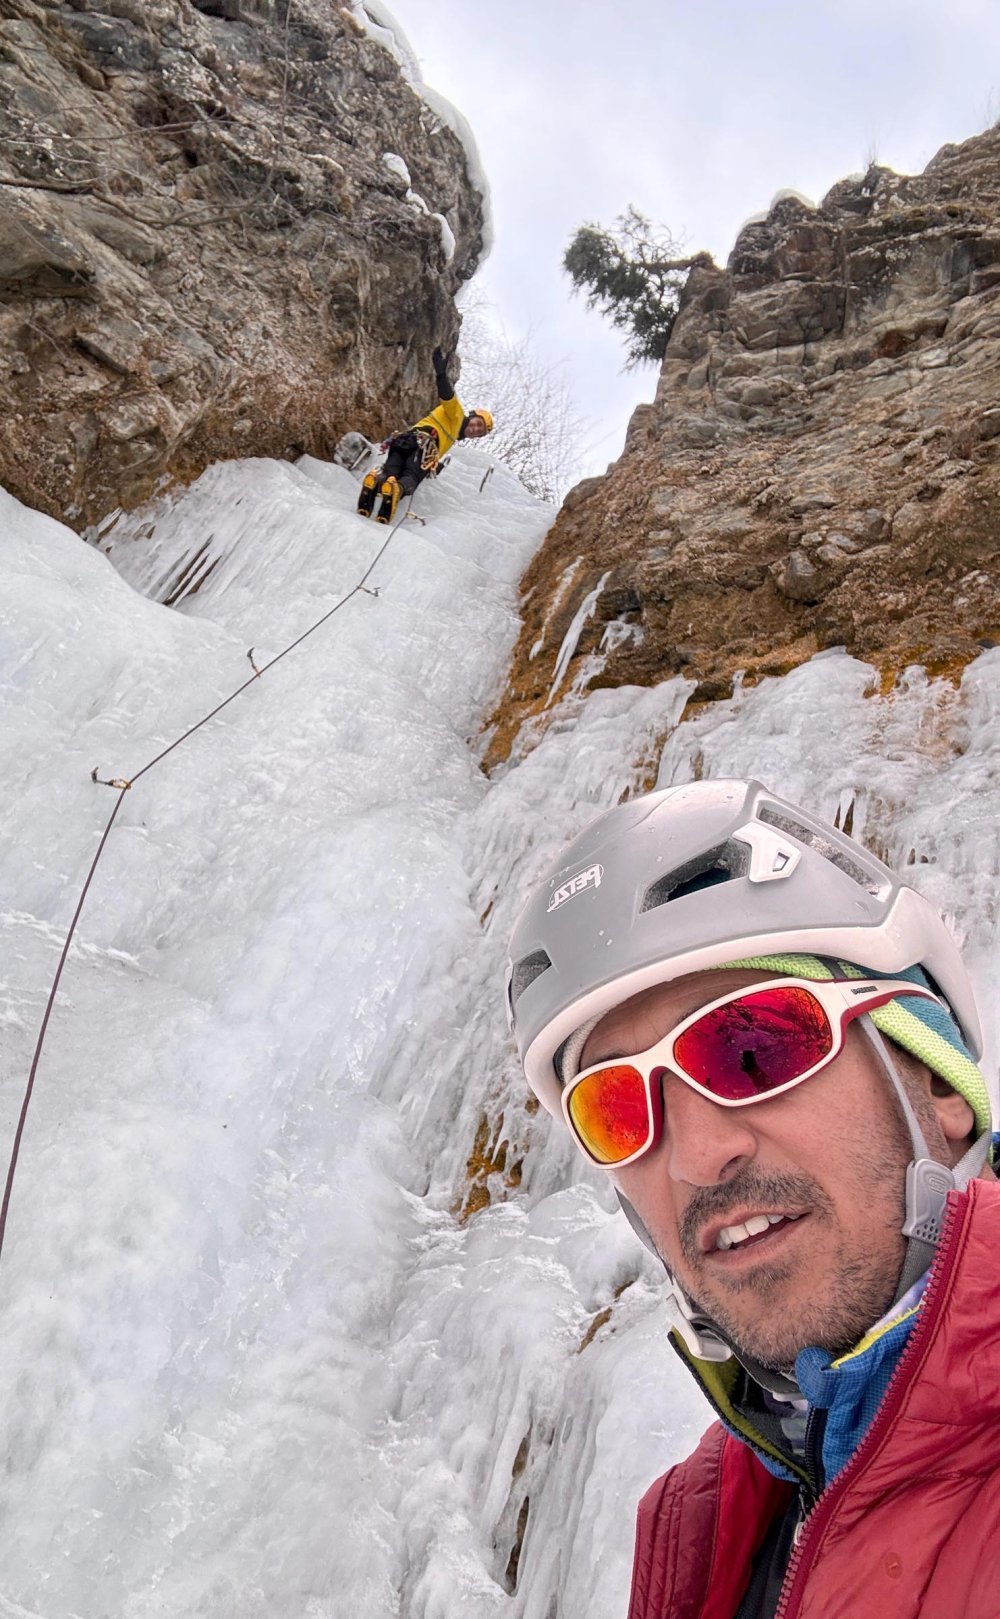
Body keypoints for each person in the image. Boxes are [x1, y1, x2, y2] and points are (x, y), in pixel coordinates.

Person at [505, 778, 1000, 1619]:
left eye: (755, 1045)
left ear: (937, 1081)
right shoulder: (697, 1526)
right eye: (620, 1107)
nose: (698, 1155)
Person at [356, 347, 493, 523]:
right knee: (410, 480)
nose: (475, 429)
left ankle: (374, 483)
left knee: (390, 476)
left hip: (403, 441)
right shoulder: (458, 416)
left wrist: (435, 467)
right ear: (472, 416)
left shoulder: (451, 434)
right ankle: (394, 490)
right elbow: (448, 397)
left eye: (479, 432)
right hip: (423, 445)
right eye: (478, 424)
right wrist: (441, 374)